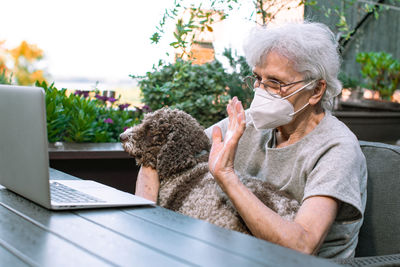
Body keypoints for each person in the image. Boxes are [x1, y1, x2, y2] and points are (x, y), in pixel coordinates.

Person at [135, 22, 367, 259]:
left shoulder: (337, 148)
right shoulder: (246, 123)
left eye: (276, 83)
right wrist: (147, 222)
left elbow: (302, 246)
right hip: (234, 255)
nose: (261, 91)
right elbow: (159, 150)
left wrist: (227, 177)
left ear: (316, 90)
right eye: (258, 78)